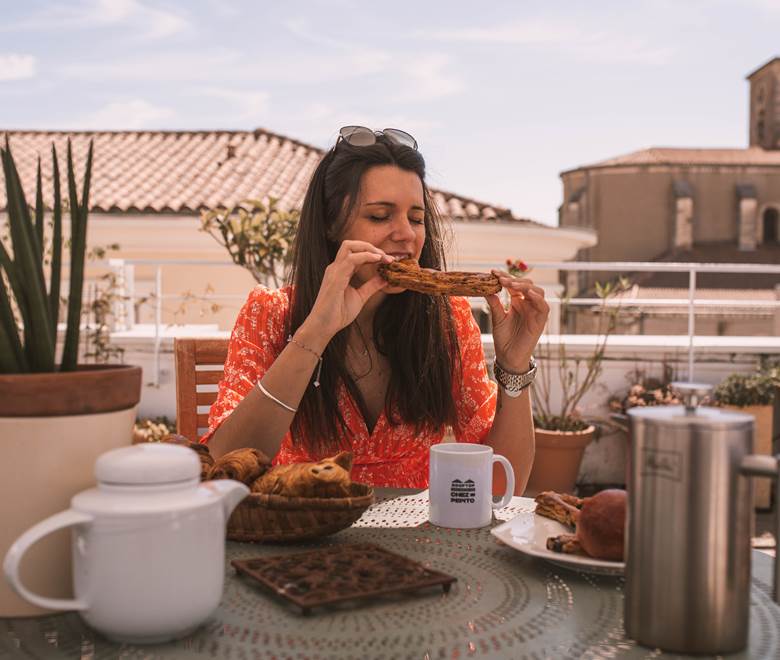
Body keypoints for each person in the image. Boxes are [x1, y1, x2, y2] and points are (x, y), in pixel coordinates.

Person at [203, 125, 549, 492]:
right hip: (302, 527)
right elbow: (226, 465)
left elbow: (498, 483)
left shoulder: (446, 320)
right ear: (331, 225)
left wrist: (513, 368)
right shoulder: (272, 313)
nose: (406, 234)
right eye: (381, 216)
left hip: (415, 535)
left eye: (416, 219)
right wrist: (316, 331)